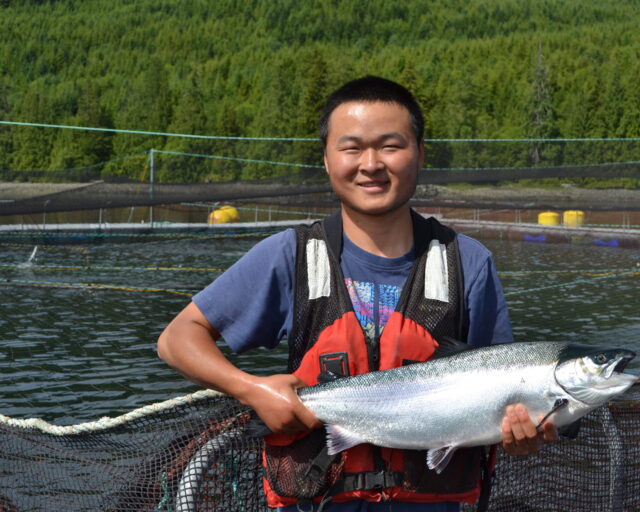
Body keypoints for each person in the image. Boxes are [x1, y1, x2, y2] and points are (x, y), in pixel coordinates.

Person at [157, 76, 556, 512]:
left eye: (390, 146)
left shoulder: (469, 263)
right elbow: (177, 340)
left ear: (420, 155)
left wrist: (524, 432)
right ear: (327, 160)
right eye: (351, 147)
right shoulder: (288, 256)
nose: (370, 164)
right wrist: (253, 389)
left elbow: (505, 384)